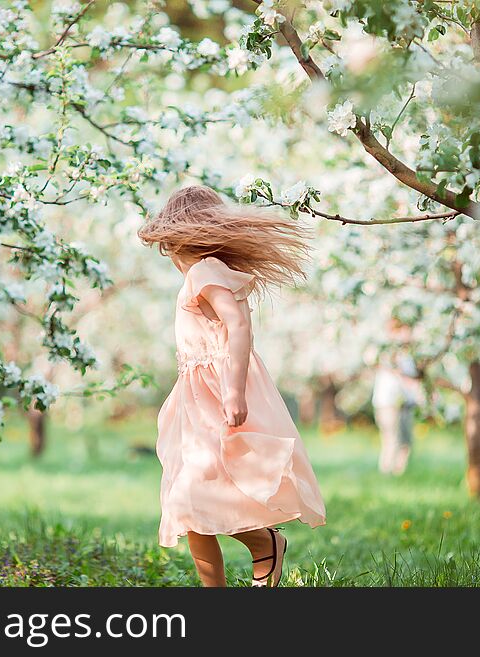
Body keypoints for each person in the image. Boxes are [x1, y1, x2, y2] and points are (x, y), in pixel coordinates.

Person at [137, 185, 327, 587]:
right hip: (198, 398)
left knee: (194, 496)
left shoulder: (204, 271)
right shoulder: (206, 273)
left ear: (177, 240)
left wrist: (233, 391)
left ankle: (265, 544)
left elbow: (239, 327)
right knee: (190, 505)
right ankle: (243, 566)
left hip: (214, 395)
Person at [373, 335, 419, 476]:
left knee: (406, 441)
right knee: (391, 439)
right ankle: (387, 472)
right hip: (388, 403)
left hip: (406, 404)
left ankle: (399, 472)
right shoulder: (386, 353)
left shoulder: (409, 357)